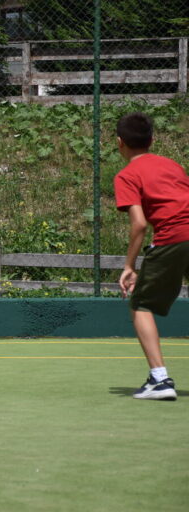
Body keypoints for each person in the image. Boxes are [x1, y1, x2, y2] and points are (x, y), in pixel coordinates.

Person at [114, 112, 189, 401]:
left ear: (119, 143)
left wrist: (129, 266)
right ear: (152, 140)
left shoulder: (127, 175)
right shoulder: (172, 165)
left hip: (173, 238)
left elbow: (140, 224)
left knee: (141, 304)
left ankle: (160, 380)